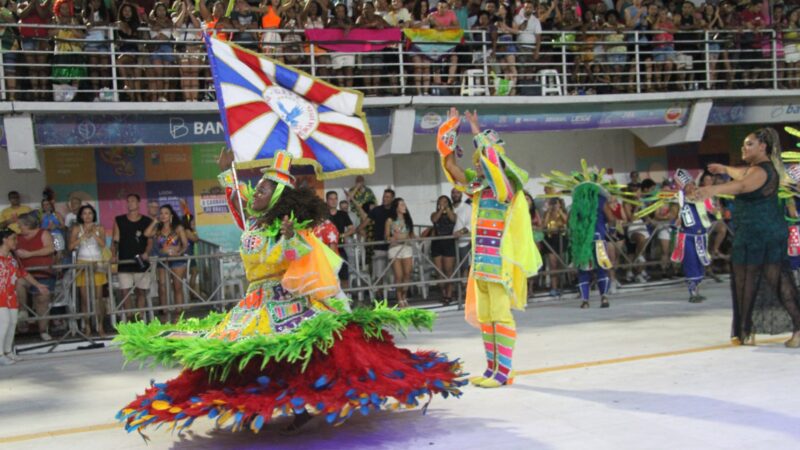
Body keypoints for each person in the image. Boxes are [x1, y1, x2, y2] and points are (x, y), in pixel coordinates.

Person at [116, 149, 465, 435]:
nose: (257, 192)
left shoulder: (287, 227)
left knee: (297, 355)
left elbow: (294, 256)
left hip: (283, 302)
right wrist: (227, 172)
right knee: (242, 353)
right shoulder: (253, 222)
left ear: (278, 201)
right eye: (259, 188)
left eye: (264, 190)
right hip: (254, 302)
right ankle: (262, 402)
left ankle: (305, 404)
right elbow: (238, 200)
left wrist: (287, 238)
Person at [436, 108, 541, 388]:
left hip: (498, 265)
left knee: (499, 316)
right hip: (480, 266)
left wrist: (475, 129)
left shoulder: (505, 190)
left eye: (483, 162)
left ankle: (503, 372)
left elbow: (493, 161)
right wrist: (450, 130)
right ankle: (492, 369)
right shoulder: (479, 189)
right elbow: (452, 169)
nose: (479, 166)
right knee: (486, 319)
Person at [692, 128, 800, 348]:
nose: (744, 147)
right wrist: (724, 168)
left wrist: (711, 190)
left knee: (776, 281)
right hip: (751, 233)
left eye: (749, 144)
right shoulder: (755, 169)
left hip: (764, 234)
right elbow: (740, 175)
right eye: (743, 144)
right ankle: (745, 330)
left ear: (763, 147)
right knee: (746, 281)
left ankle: (795, 326)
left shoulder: (762, 171)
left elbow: (741, 185)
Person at [0, 228, 50, 365]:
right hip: (0, 296)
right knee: (3, 324)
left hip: (11, 296)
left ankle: (8, 352)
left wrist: (38, 285)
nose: (16, 241)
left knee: (11, 324)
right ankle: (0, 354)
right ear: (5, 240)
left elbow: (23, 273)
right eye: (13, 238)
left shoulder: (13, 258)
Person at [671, 169, 713, 303]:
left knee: (700, 262)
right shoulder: (680, 199)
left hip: (701, 236)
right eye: (688, 185)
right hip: (687, 236)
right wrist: (677, 218)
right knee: (690, 263)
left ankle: (697, 290)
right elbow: (675, 215)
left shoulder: (701, 198)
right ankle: (692, 292)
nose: (692, 187)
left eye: (693, 184)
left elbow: (711, 211)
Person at [68, 204, 108, 336]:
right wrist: (82, 237)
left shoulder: (100, 227)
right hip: (82, 263)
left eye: (90, 213)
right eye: (84, 213)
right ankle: (87, 326)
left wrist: (94, 234)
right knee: (85, 298)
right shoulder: (76, 228)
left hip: (97, 262)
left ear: (93, 215)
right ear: (80, 215)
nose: (87, 216)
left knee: (99, 297)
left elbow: (103, 245)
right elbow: (70, 247)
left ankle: (100, 325)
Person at [112, 194, 153, 320]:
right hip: (125, 259)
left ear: (139, 203)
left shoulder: (147, 221)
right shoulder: (119, 219)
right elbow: (115, 240)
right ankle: (129, 317)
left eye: (133, 201)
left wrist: (146, 252)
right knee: (125, 291)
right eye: (128, 201)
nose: (130, 203)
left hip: (141, 261)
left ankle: (140, 317)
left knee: (141, 291)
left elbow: (150, 241)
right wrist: (114, 254)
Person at [15, 213, 56, 341]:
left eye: (20, 225)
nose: (18, 227)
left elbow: (50, 249)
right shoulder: (17, 237)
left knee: (42, 300)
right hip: (25, 274)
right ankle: (23, 311)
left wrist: (29, 254)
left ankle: (43, 330)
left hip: (44, 274)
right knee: (18, 282)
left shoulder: (43, 233)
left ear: (27, 225)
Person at [145, 204, 189, 318]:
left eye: (166, 213)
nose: (163, 215)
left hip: (177, 261)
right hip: (162, 260)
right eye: (161, 213)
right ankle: (164, 313)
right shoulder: (158, 229)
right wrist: (155, 221)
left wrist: (178, 252)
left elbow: (185, 245)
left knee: (177, 287)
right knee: (162, 286)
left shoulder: (178, 228)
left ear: (171, 215)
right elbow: (146, 233)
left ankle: (179, 315)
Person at [386, 198, 415, 307]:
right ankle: (399, 298)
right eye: (402, 204)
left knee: (407, 273)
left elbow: (411, 234)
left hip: (406, 247)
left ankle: (404, 295)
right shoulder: (390, 220)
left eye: (404, 204)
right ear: (396, 207)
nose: (404, 206)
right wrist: (391, 238)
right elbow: (387, 236)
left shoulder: (407, 219)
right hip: (395, 248)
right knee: (399, 275)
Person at [326, 191, 355, 289]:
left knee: (344, 276)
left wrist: (342, 235)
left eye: (335, 198)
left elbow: (352, 228)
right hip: (326, 250)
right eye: (331, 198)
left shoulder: (343, 214)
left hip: (340, 249)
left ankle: (346, 300)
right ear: (327, 200)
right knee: (328, 277)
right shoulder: (323, 214)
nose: (334, 201)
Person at [431, 195, 456, 305]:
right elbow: (434, 219)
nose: (443, 203)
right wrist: (441, 210)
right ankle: (443, 292)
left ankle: (449, 294)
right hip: (437, 242)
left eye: (445, 201)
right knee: (439, 271)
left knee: (448, 270)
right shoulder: (434, 213)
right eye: (440, 201)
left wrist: (447, 209)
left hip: (448, 242)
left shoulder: (452, 213)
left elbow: (453, 219)